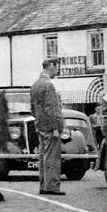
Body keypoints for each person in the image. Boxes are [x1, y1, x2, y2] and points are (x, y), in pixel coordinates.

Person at [30, 58, 65, 195]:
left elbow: (32, 108)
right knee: (52, 157)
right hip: (51, 127)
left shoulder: (35, 84)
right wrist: (56, 128)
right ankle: (52, 186)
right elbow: (52, 109)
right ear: (50, 66)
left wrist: (39, 120)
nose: (57, 71)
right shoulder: (49, 85)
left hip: (40, 124)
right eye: (57, 68)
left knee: (43, 156)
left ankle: (44, 185)